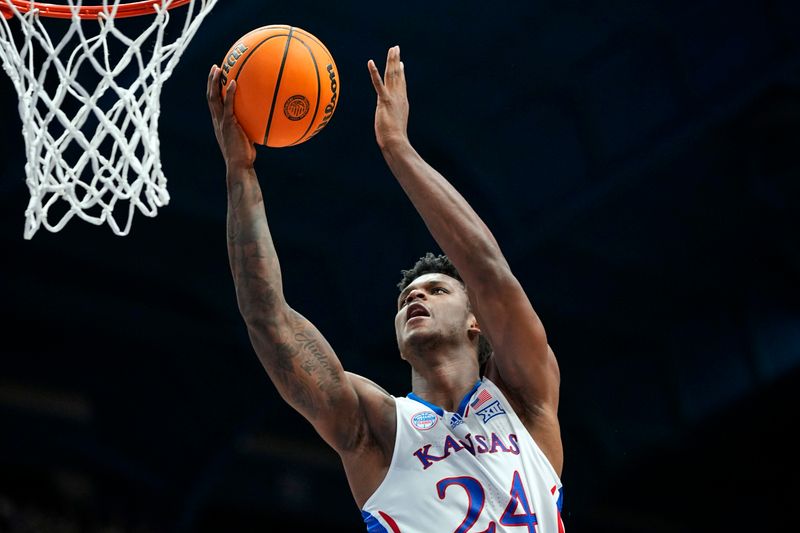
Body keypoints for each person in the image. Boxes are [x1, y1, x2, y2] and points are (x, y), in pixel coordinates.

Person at [206, 45, 564, 532]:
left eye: (438, 290)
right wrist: (240, 173)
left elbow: (487, 270)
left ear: (475, 319)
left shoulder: (526, 400)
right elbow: (268, 319)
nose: (415, 298)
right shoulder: (377, 427)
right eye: (405, 299)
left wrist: (397, 146)